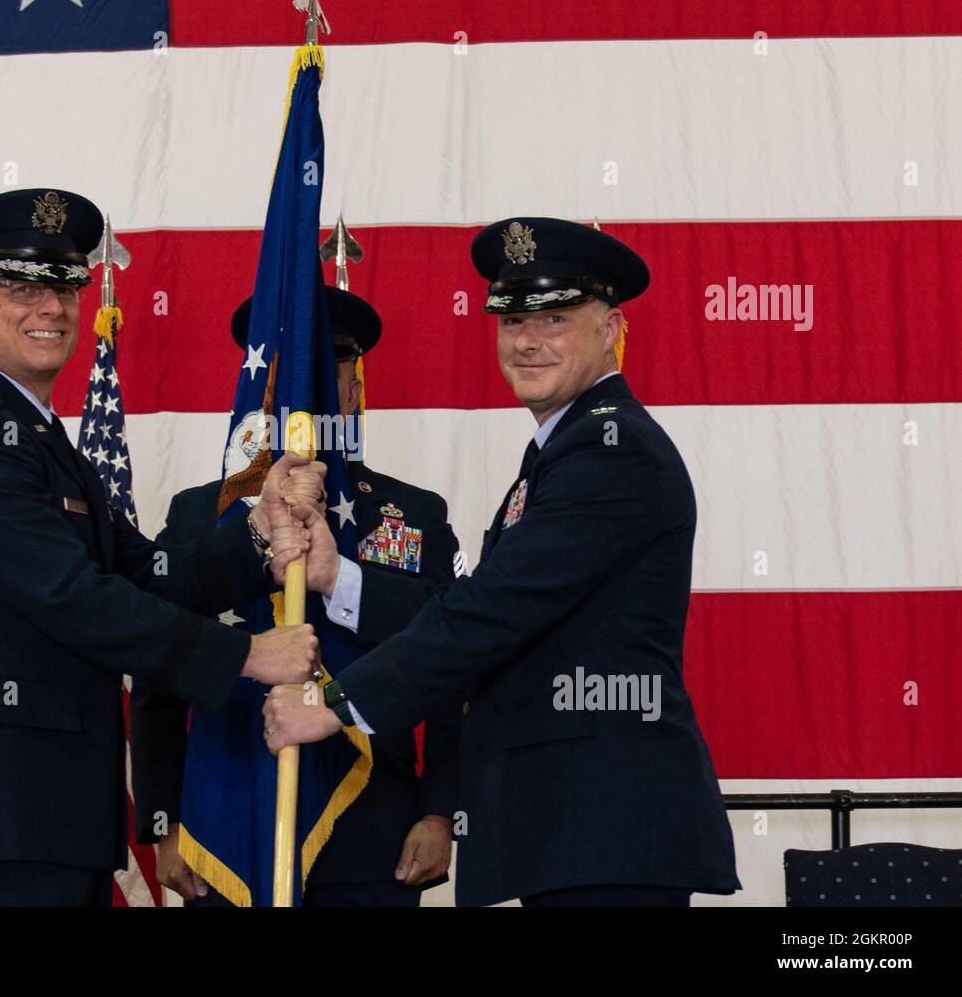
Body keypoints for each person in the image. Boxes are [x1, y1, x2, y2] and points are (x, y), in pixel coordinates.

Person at [263, 218, 742, 907]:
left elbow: (490, 613)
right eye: (512, 318)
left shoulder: (612, 450)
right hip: (568, 830)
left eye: (554, 317)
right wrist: (339, 579)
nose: (526, 339)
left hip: (604, 827)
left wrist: (334, 703)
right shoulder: (561, 449)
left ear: (610, 327)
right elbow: (488, 608)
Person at [0, 188, 324, 907]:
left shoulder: (40, 440)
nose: (52, 308)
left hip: (53, 823)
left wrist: (258, 528)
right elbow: (75, 599)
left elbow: (145, 570)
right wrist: (245, 655)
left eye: (65, 285)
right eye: (23, 287)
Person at [131, 286, 461, 907]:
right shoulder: (204, 514)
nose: (303, 392)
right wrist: (164, 820)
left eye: (326, 367)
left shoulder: (413, 515)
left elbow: (453, 664)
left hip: (375, 826)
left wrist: (441, 812)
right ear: (261, 386)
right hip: (224, 818)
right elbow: (159, 671)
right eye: (287, 372)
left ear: (354, 385)